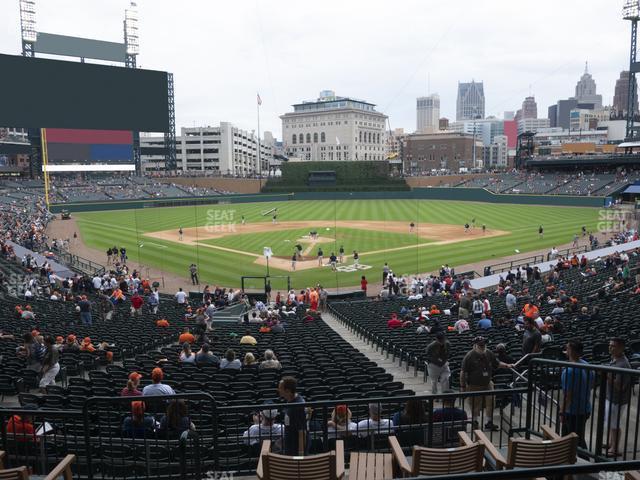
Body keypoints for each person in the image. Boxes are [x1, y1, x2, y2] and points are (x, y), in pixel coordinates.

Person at [459, 336, 513, 431]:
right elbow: (463, 372)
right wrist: (463, 386)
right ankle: (475, 421)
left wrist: (507, 365)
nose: (482, 346)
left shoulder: (488, 353)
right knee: (475, 405)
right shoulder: (469, 356)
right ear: (476, 345)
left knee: (491, 403)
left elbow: (497, 363)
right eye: (480, 345)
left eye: (484, 344)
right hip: (474, 385)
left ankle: (489, 422)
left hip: (487, 383)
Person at [560, 339, 594, 449]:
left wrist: (562, 411)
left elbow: (567, 396)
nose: (566, 351)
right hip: (585, 409)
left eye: (567, 348)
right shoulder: (587, 365)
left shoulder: (569, 371)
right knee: (578, 438)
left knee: (572, 441)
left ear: (571, 351)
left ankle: (584, 463)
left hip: (573, 412)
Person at [604, 337, 632, 457]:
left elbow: (620, 387)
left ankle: (615, 449)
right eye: (610, 345)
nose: (610, 347)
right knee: (611, 422)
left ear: (621, 348)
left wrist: (607, 375)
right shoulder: (615, 359)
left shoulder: (622, 364)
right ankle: (611, 443)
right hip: (611, 397)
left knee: (615, 424)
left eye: (613, 346)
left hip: (617, 400)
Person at [278, 377, 307, 455]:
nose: (278, 390)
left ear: (288, 391)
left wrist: (301, 453)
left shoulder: (298, 405)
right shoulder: (290, 401)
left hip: (296, 447)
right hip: (290, 444)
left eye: (280, 388)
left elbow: (302, 431)